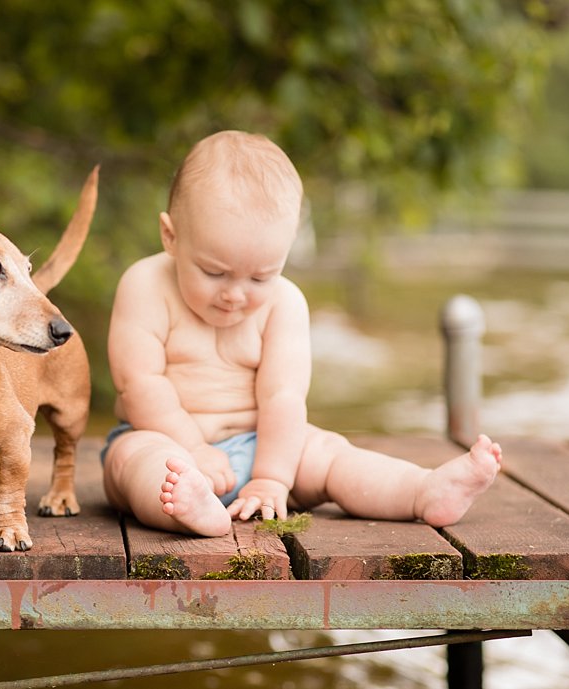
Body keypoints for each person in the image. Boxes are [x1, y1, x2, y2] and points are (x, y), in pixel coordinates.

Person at [99, 130, 502, 537]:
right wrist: (194, 450)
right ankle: (192, 507)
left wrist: (273, 477)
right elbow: (139, 382)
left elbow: (283, 397)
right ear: (171, 236)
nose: (235, 294)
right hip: (166, 441)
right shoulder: (146, 285)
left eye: (261, 276)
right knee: (133, 462)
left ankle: (421, 490)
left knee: (329, 454)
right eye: (214, 272)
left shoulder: (284, 303)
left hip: (264, 445)